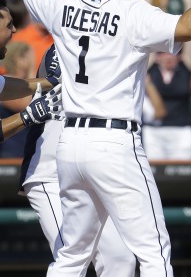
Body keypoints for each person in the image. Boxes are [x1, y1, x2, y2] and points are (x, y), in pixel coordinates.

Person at [17, 0, 191, 277]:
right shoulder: (135, 13)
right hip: (114, 141)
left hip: (70, 143)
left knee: (71, 256)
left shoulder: (63, 4)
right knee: (154, 252)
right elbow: (189, 26)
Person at [19, 44, 137, 277]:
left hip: (85, 169)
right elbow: (51, 80)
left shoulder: (112, 40)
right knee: (72, 258)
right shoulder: (63, 42)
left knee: (120, 257)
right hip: (47, 171)